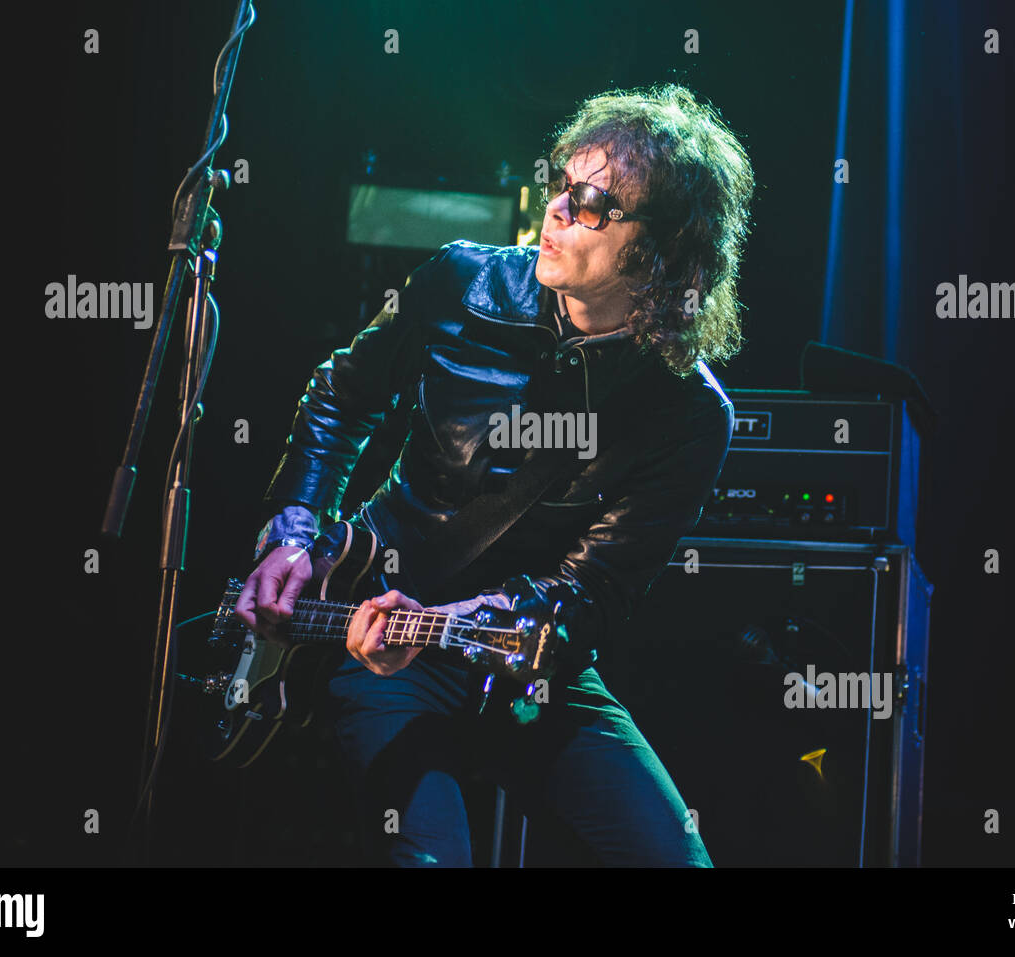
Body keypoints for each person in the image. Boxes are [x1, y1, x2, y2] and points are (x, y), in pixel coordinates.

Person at [234, 83, 754, 866]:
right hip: (373, 619)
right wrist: (297, 532)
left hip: (519, 650)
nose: (555, 209)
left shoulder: (687, 414)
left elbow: (593, 594)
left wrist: (477, 619)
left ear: (659, 251)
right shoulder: (460, 283)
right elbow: (340, 398)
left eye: (589, 203)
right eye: (558, 186)